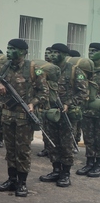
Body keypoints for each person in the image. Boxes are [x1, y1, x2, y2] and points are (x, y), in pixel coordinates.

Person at [0, 39, 48, 197]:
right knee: (10, 150)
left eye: (13, 49)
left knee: (23, 151)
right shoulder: (5, 67)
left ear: (23, 52)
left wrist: (33, 103)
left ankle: (22, 183)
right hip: (7, 117)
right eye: (8, 48)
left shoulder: (32, 69)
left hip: (24, 118)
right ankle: (11, 179)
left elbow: (43, 92)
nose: (9, 51)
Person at [39, 43, 88, 187]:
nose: (52, 55)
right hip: (49, 112)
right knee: (51, 143)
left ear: (64, 55)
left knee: (66, 145)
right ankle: (55, 170)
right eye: (51, 52)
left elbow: (83, 93)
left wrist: (69, 103)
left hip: (66, 114)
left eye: (56, 53)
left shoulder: (74, 71)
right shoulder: (44, 70)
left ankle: (65, 173)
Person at [77, 43, 100, 177]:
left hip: (98, 110)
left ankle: (98, 164)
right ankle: (90, 162)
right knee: (88, 138)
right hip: (87, 110)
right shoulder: (86, 69)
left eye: (95, 51)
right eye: (90, 50)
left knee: (99, 138)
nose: (91, 53)